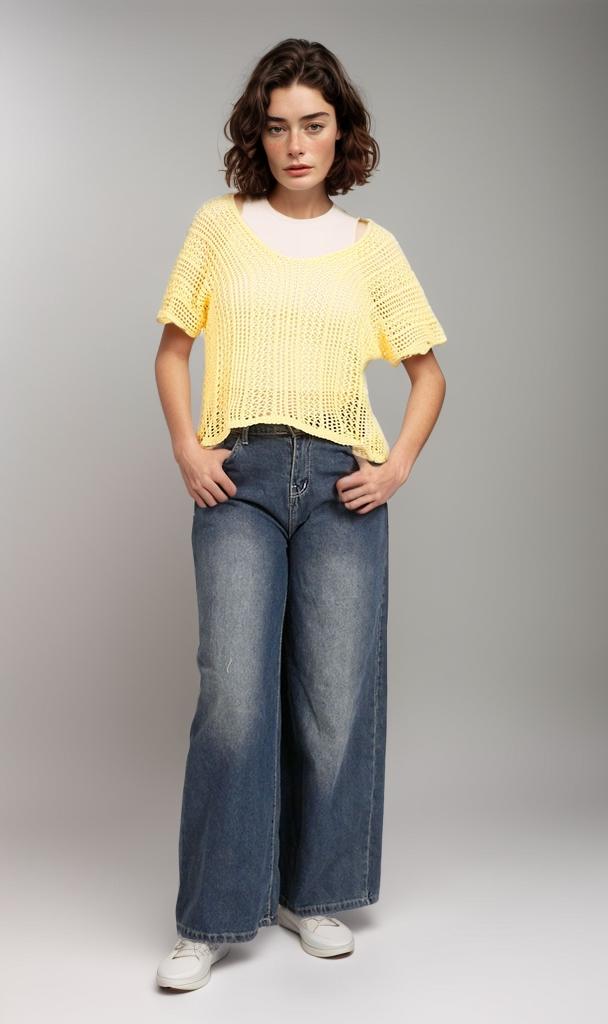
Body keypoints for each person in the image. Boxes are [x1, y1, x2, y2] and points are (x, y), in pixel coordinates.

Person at [153, 38, 447, 992]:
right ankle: (211, 914)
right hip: (237, 477)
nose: (295, 144)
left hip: (337, 485)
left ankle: (313, 894)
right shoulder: (219, 226)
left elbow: (429, 374)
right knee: (234, 696)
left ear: (340, 132)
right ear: (258, 135)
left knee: (334, 699)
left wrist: (395, 468)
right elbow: (172, 352)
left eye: (313, 125)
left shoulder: (373, 248)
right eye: (277, 127)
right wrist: (188, 448)